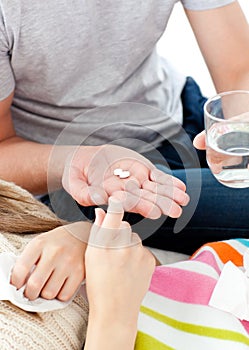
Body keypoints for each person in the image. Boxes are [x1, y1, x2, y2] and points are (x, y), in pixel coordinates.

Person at [0, 0, 249, 255]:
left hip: (183, 117)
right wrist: (79, 161)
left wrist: (241, 126)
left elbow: (238, 69)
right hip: (85, 176)